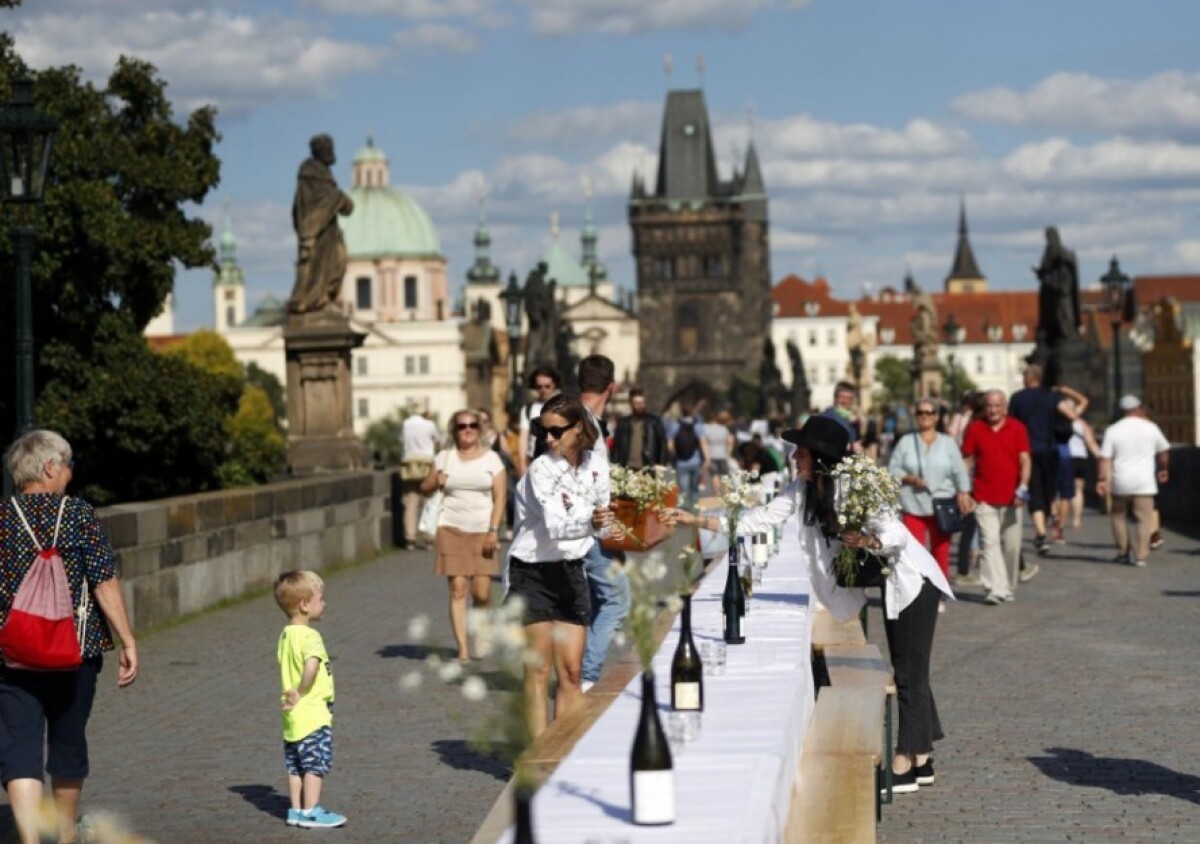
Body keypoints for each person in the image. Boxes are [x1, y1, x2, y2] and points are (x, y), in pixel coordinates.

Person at [675, 415, 953, 794]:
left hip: (912, 582)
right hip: (890, 584)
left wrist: (865, 540)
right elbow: (759, 519)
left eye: (800, 452)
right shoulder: (805, 490)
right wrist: (696, 519)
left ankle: (906, 759)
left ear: (820, 457)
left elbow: (893, 535)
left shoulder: (853, 485)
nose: (793, 458)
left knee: (908, 672)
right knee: (907, 666)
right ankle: (923, 759)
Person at [0, 430, 138, 844]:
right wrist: (128, 639)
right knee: (67, 742)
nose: (71, 474)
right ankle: (63, 836)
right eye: (69, 464)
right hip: (75, 649)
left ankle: (28, 838)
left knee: (18, 746)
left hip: (11, 652)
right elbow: (103, 581)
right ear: (49, 467)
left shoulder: (2, 518)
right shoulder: (78, 513)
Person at [506, 394, 614, 737]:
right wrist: (593, 523)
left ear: (578, 428)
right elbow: (556, 527)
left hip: (571, 570)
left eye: (555, 431)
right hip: (532, 570)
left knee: (570, 671)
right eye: (542, 431)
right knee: (537, 671)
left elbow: (605, 523)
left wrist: (607, 523)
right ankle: (538, 758)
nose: (548, 439)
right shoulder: (541, 469)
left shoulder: (598, 464)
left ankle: (563, 752)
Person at [421, 410, 507, 662]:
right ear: (454, 431)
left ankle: (482, 632)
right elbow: (424, 488)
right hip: (451, 528)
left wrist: (494, 530)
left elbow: (500, 497)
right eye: (461, 426)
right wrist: (436, 480)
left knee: (481, 592)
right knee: (458, 588)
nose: (467, 430)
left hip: (483, 530)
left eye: (472, 425)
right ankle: (463, 649)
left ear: (479, 430)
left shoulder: (492, 460)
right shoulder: (444, 458)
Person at [275, 570, 345, 829]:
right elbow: (312, 667)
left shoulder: (285, 635)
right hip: (312, 712)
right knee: (315, 763)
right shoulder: (310, 636)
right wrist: (302, 691)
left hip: (291, 716)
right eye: (320, 598)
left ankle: (295, 809)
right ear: (304, 605)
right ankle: (311, 810)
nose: (324, 603)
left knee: (294, 765)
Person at [575, 355, 628, 692]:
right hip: (589, 526)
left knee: (592, 602)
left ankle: (578, 673)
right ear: (613, 387)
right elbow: (591, 483)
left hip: (571, 524)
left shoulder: (569, 416)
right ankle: (586, 678)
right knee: (616, 601)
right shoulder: (589, 425)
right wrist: (610, 528)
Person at [888, 397, 974, 582]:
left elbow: (959, 470)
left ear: (936, 416)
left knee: (941, 551)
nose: (925, 416)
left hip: (942, 502)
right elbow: (892, 470)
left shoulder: (948, 442)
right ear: (915, 416)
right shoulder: (906, 441)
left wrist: (964, 492)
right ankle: (917, 590)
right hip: (912, 503)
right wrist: (909, 478)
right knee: (913, 551)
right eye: (920, 412)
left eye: (929, 412)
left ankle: (939, 590)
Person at [961, 391, 1032, 605]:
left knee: (1011, 546)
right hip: (983, 496)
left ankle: (1007, 586)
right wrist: (963, 490)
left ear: (1005, 407)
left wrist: (1023, 487)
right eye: (990, 406)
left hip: (1012, 497)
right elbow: (967, 460)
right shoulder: (976, 428)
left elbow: (1025, 460)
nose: (993, 410)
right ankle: (994, 588)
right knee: (989, 543)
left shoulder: (1017, 428)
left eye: (997, 406)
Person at [1006, 364, 1081, 556]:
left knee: (1035, 491)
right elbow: (1072, 415)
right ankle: (1042, 531)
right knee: (1049, 492)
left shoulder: (1017, 398)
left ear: (1029, 378)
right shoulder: (1052, 396)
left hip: (1026, 451)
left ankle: (1041, 532)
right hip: (1050, 449)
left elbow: (1010, 425)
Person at [1096, 395, 1170, 567]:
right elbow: (1164, 450)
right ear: (1138, 408)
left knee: (1118, 517)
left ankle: (1122, 552)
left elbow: (1104, 458)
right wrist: (1163, 469)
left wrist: (1101, 479)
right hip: (1145, 482)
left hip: (1121, 481)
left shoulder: (1113, 430)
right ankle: (1140, 556)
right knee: (1143, 519)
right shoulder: (1151, 428)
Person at [289, 134, 355, 314]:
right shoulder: (311, 172)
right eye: (328, 150)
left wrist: (338, 200)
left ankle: (323, 297)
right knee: (319, 267)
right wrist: (339, 199)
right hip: (317, 231)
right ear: (320, 152)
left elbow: (328, 201)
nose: (331, 153)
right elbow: (311, 204)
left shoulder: (322, 172)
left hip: (329, 229)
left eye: (331, 149)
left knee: (339, 261)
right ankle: (315, 301)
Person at [401, 402, 441, 550]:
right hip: (427, 463)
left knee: (411, 501)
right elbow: (437, 440)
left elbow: (402, 441)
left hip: (409, 464)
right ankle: (428, 537)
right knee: (429, 502)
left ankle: (410, 538)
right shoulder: (429, 424)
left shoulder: (406, 424)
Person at [516, 366, 561, 477]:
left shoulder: (563, 406)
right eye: (539, 387)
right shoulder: (528, 409)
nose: (543, 390)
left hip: (560, 460)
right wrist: (522, 464)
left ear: (554, 385)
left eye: (547, 386)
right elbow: (523, 438)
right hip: (535, 460)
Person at [611, 387, 668, 470]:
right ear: (631, 404)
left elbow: (662, 445)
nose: (640, 406)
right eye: (636, 403)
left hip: (648, 467)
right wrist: (615, 466)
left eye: (642, 402)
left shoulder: (654, 422)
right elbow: (616, 447)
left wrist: (661, 465)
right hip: (627, 468)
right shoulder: (623, 424)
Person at [667, 402, 709, 505]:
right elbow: (703, 443)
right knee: (694, 489)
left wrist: (674, 455)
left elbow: (670, 445)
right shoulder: (697, 426)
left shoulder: (675, 425)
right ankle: (694, 513)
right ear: (692, 413)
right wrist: (707, 459)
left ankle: (683, 514)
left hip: (681, 462)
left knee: (683, 491)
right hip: (696, 461)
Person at [1067, 407, 1101, 530]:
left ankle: (1058, 518)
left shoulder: (1055, 422)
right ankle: (1076, 520)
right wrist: (1101, 458)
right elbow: (1091, 443)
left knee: (1060, 491)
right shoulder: (1082, 424)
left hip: (1062, 458)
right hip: (1079, 458)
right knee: (1078, 489)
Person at [822, 381, 865, 452]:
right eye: (842, 397)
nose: (845, 401)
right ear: (835, 398)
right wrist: (850, 446)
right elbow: (824, 443)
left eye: (849, 398)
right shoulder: (827, 415)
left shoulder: (853, 416)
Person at [703, 410, 736, 480]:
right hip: (723, 455)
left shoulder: (706, 428)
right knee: (724, 476)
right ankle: (722, 490)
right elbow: (730, 441)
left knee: (715, 475)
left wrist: (707, 458)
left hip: (712, 455)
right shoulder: (724, 429)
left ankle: (717, 490)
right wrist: (729, 455)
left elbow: (705, 443)